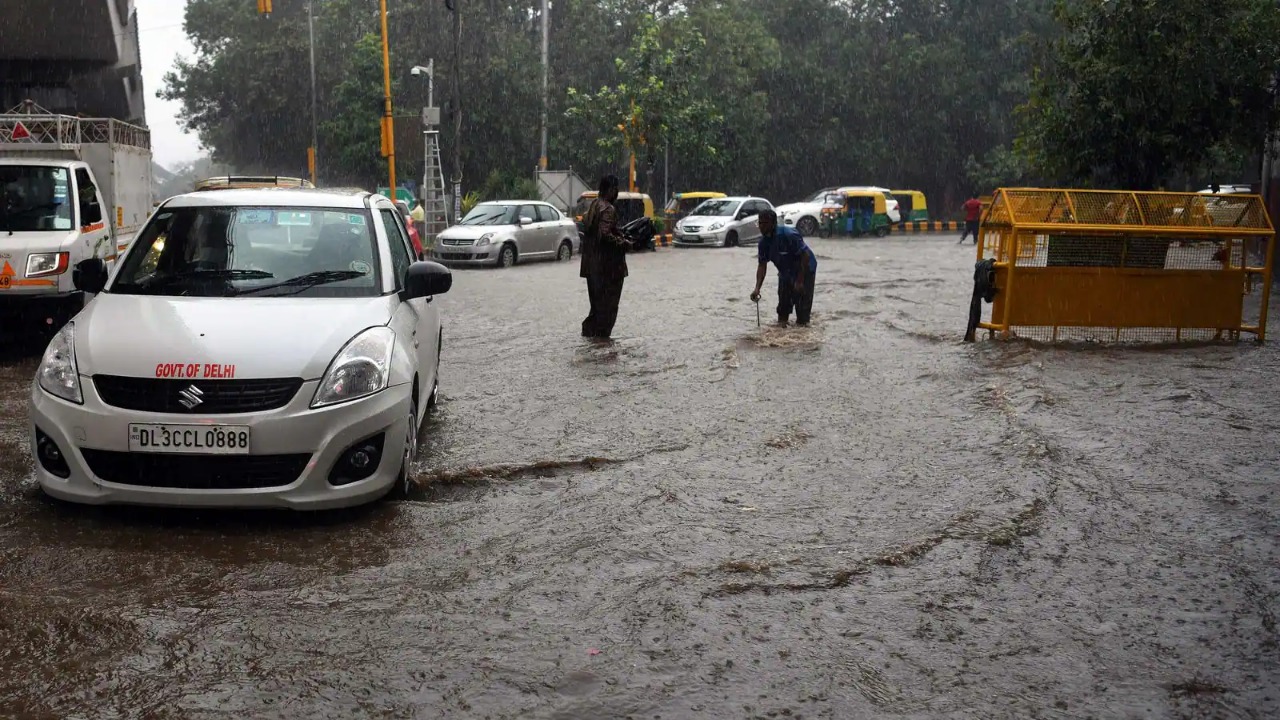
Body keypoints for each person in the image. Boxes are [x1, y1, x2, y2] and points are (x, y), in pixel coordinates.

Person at [580, 174, 632, 338]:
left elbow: (595, 231)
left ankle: (591, 342)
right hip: (608, 268)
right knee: (608, 308)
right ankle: (602, 345)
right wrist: (624, 243)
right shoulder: (608, 208)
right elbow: (605, 234)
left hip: (592, 266)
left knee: (596, 308)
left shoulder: (594, 205)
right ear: (610, 190)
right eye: (616, 189)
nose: (617, 193)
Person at [751, 209, 818, 327]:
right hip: (785, 272)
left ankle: (802, 335)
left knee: (802, 315)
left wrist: (800, 281)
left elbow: (805, 256)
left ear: (773, 223)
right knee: (783, 309)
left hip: (805, 270)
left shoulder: (789, 235)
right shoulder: (763, 243)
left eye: (765, 223)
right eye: (760, 223)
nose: (761, 227)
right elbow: (762, 266)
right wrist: (757, 288)